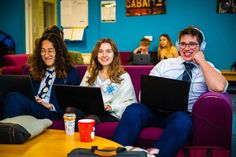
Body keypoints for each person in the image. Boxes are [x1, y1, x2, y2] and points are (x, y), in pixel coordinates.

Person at [112, 26, 228, 157]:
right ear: (178, 45)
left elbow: (219, 87)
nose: (187, 48)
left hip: (181, 115)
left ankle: (154, 155)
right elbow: (143, 94)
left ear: (201, 46)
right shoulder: (165, 64)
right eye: (183, 44)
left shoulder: (208, 68)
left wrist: (201, 61)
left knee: (182, 121)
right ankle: (116, 153)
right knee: (134, 109)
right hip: (154, 111)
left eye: (192, 44)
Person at [3, 33, 80, 120]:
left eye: (50, 51)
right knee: (9, 96)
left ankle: (7, 130)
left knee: (14, 98)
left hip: (52, 112)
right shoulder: (34, 71)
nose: (46, 55)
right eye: (43, 51)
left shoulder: (70, 73)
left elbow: (73, 105)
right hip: (34, 106)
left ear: (58, 52)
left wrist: (50, 106)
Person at [78, 38, 137, 124]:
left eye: (108, 51)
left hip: (110, 113)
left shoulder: (123, 76)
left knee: (90, 119)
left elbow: (130, 103)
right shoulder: (90, 72)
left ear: (114, 54)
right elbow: (80, 94)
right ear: (96, 54)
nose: (104, 55)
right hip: (90, 110)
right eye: (100, 51)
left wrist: (111, 107)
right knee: (70, 111)